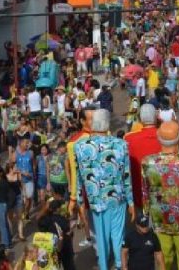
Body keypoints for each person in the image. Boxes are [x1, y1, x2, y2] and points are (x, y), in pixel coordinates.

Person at [74, 109, 134, 270]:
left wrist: (79, 201)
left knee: (101, 236)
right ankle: (121, 264)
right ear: (107, 124)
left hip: (96, 199)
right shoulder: (121, 144)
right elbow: (126, 175)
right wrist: (131, 202)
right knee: (117, 234)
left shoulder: (79, 146)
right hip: (117, 197)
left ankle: (104, 266)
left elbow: (78, 177)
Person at [141, 121, 179, 270]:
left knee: (163, 257)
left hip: (160, 216)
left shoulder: (148, 162)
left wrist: (146, 213)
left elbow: (145, 192)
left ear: (159, 137)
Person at [125, 104, 162, 210]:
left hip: (138, 191)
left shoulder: (129, 138)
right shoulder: (165, 135)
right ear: (155, 117)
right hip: (162, 189)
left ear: (140, 119)